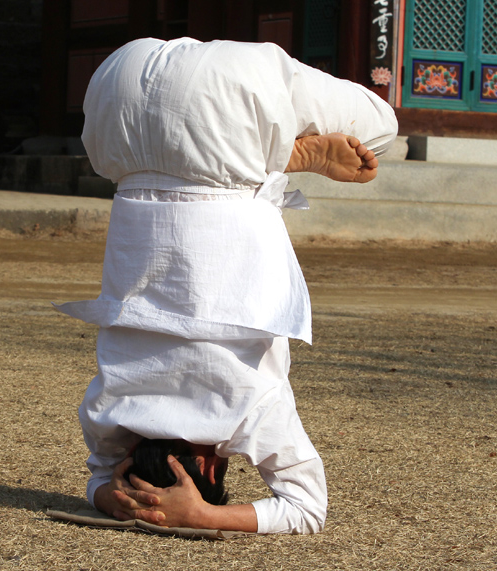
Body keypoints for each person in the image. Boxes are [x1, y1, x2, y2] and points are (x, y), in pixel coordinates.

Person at [55, 37, 398, 534]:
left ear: (212, 467)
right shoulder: (110, 412)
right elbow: (100, 481)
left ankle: (283, 152)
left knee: (381, 125)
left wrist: (203, 515)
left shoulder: (248, 413)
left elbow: (306, 510)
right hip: (119, 102)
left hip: (228, 114)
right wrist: (113, 496)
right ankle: (273, 151)